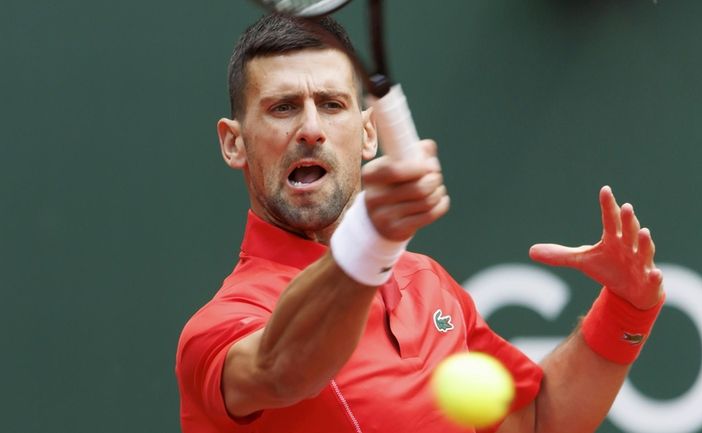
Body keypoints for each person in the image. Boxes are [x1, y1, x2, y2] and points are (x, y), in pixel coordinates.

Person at [175, 13, 665, 433]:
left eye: (331, 104)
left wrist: (626, 311)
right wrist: (371, 235)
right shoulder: (220, 327)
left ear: (368, 134)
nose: (310, 129)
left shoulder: (428, 284)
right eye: (283, 108)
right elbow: (280, 368)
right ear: (233, 142)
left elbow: (535, 420)